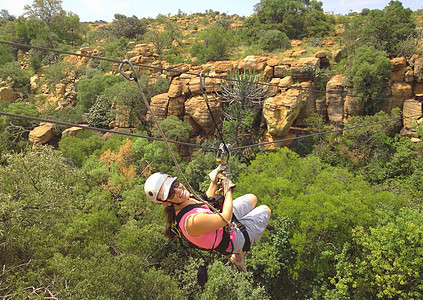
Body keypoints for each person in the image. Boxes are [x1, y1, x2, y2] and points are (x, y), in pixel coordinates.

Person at [144, 166, 271, 271]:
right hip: (231, 237)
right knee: (266, 210)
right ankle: (238, 256)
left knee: (252, 198)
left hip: (222, 223)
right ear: (166, 203)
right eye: (171, 193)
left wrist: (216, 177)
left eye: (175, 184)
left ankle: (239, 252)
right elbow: (226, 218)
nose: (178, 190)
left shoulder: (186, 200)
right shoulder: (191, 222)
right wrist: (228, 190)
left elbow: (206, 201)